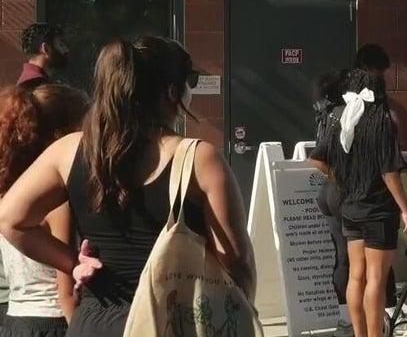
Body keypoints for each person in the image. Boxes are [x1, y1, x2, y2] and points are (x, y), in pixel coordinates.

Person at [0, 36, 256, 337]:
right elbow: (236, 263)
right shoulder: (200, 159)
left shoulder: (68, 151)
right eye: (191, 83)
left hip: (95, 321)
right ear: (172, 93)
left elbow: (10, 220)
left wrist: (72, 264)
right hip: (173, 320)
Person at [309, 68, 407, 337]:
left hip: (349, 207)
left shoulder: (338, 118)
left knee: (356, 275)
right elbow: (388, 171)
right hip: (378, 209)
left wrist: (341, 177)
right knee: (376, 280)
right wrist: (406, 209)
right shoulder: (382, 121)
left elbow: (316, 159)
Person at [0, 84, 89, 337]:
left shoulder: (12, 193)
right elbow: (66, 292)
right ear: (62, 137)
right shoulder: (56, 202)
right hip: (52, 322)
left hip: (15, 321)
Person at [16, 25, 68, 89]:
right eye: (61, 45)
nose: (66, 50)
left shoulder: (31, 81)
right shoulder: (35, 86)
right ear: (46, 49)